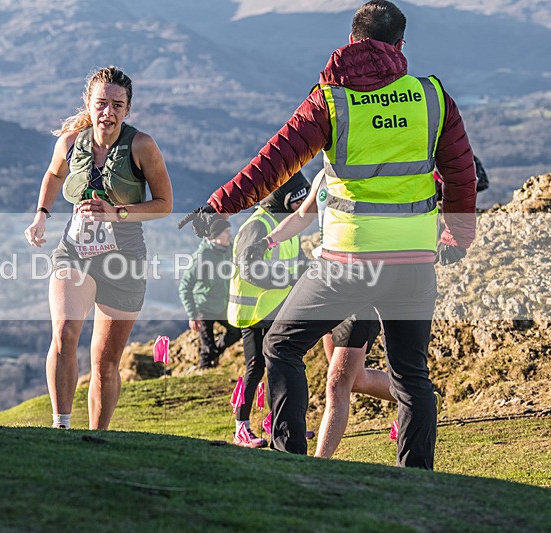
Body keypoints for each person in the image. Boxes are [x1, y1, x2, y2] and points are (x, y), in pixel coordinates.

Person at [181, 1, 477, 468]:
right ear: (401, 46)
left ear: (354, 41)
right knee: (411, 375)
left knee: (281, 346)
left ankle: (289, 460)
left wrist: (218, 206)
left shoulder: (332, 99)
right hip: (414, 263)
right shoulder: (432, 96)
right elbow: (461, 173)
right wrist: (458, 237)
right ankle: (417, 480)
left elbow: (274, 162)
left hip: (348, 262)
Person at [24, 66, 173, 430]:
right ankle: (60, 426)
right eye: (101, 103)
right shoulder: (70, 142)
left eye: (116, 105)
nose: (108, 112)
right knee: (64, 334)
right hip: (74, 249)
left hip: (124, 258)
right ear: (88, 105)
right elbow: (54, 174)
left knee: (105, 361)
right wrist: (42, 215)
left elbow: (165, 204)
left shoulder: (142, 146)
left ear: (128, 109)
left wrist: (116, 212)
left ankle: (97, 439)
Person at [248, 170, 396, 458]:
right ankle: (417, 398)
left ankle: (319, 462)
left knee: (337, 383)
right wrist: (266, 242)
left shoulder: (371, 173)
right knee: (355, 380)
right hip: (327, 281)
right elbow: (303, 215)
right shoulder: (323, 176)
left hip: (359, 287)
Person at [227, 173, 310, 448]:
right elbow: (248, 269)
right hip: (253, 313)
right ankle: (241, 427)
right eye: (298, 199)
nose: (302, 206)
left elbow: (298, 260)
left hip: (277, 309)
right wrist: (287, 279)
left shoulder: (286, 224)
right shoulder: (257, 226)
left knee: (279, 364)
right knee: (255, 368)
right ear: (282, 198)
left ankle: (278, 422)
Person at [178, 218, 242, 369]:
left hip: (223, 306)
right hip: (204, 308)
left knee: (236, 332)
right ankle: (204, 370)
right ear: (216, 236)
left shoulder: (229, 250)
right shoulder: (202, 256)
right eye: (227, 232)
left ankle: (213, 355)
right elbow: (184, 287)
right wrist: (192, 315)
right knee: (207, 346)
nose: (230, 235)